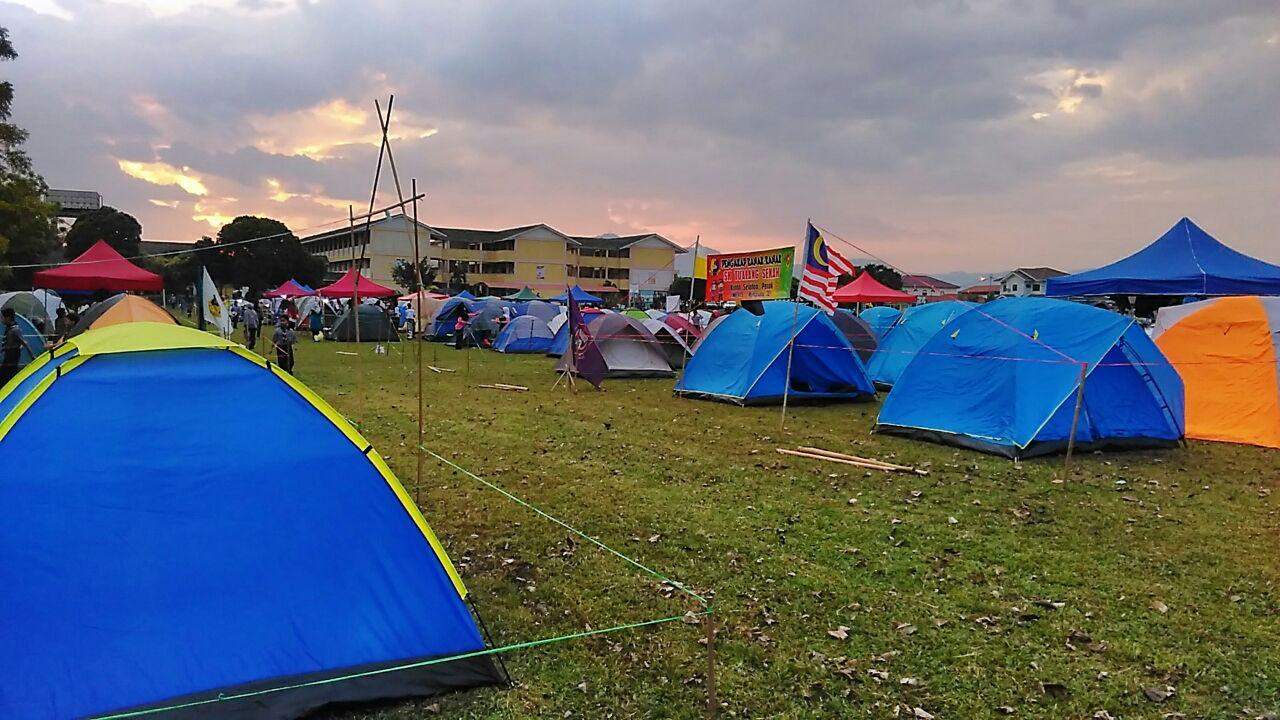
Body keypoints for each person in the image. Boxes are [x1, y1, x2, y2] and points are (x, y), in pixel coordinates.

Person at [1, 308, 36, 387]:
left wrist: (32, 356)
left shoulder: (15, 330)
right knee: (5, 374)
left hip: (12, 355)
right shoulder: (9, 328)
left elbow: (24, 342)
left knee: (8, 374)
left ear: (8, 318)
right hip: (8, 354)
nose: (1, 320)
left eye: (2, 317)